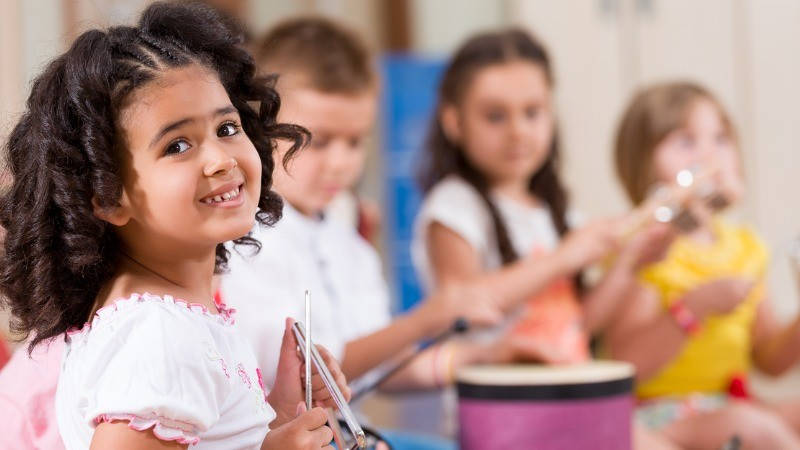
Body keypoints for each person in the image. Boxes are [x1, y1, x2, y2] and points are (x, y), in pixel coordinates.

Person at [0, 3, 349, 448]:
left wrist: (280, 413)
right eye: (178, 145)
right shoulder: (158, 334)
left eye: (226, 128)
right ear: (107, 197)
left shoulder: (171, 317)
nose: (221, 159)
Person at [607, 81, 800, 449]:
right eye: (686, 141)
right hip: (661, 414)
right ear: (641, 163)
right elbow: (629, 365)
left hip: (732, 405)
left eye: (721, 139)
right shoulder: (647, 250)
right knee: (756, 429)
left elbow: (770, 360)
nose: (710, 155)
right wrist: (695, 306)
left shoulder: (744, 248)